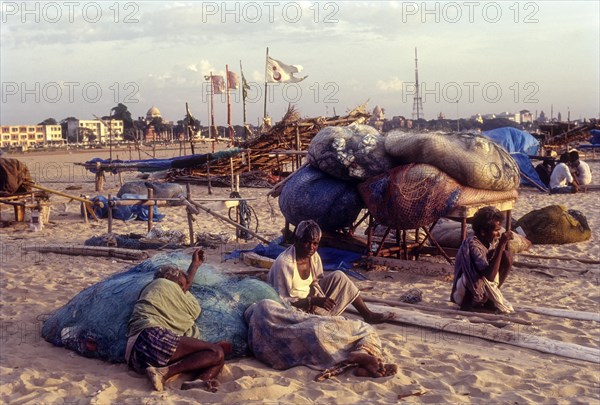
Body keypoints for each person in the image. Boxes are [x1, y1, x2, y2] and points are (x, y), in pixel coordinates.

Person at [126, 249, 227, 392]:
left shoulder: (161, 289)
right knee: (216, 351)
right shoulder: (161, 284)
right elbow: (193, 309)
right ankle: (165, 372)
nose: (185, 291)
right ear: (174, 280)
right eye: (182, 286)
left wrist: (195, 265)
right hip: (150, 337)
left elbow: (183, 287)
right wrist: (192, 268)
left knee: (217, 357)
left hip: (138, 357)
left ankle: (198, 382)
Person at [268, 220, 395, 324]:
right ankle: (321, 317)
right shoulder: (285, 263)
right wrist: (312, 301)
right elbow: (282, 302)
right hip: (292, 307)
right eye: (307, 242)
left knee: (339, 276)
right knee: (326, 322)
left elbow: (316, 282)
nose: (311, 247)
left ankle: (368, 315)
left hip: (308, 299)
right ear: (297, 241)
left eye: (315, 243)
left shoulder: (314, 256)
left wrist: (317, 297)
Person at [245, 299, 398, 380]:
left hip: (290, 348)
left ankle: (358, 355)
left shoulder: (255, 338)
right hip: (312, 328)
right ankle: (361, 352)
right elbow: (294, 313)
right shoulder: (264, 305)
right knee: (365, 328)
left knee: (315, 336)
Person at [450, 207, 515, 314]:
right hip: (463, 294)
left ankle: (488, 299)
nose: (498, 234)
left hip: (480, 291)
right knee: (472, 271)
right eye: (496, 231)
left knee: (507, 257)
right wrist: (501, 244)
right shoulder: (473, 244)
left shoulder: (487, 242)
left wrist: (501, 248)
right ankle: (468, 305)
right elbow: (489, 276)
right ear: (483, 232)